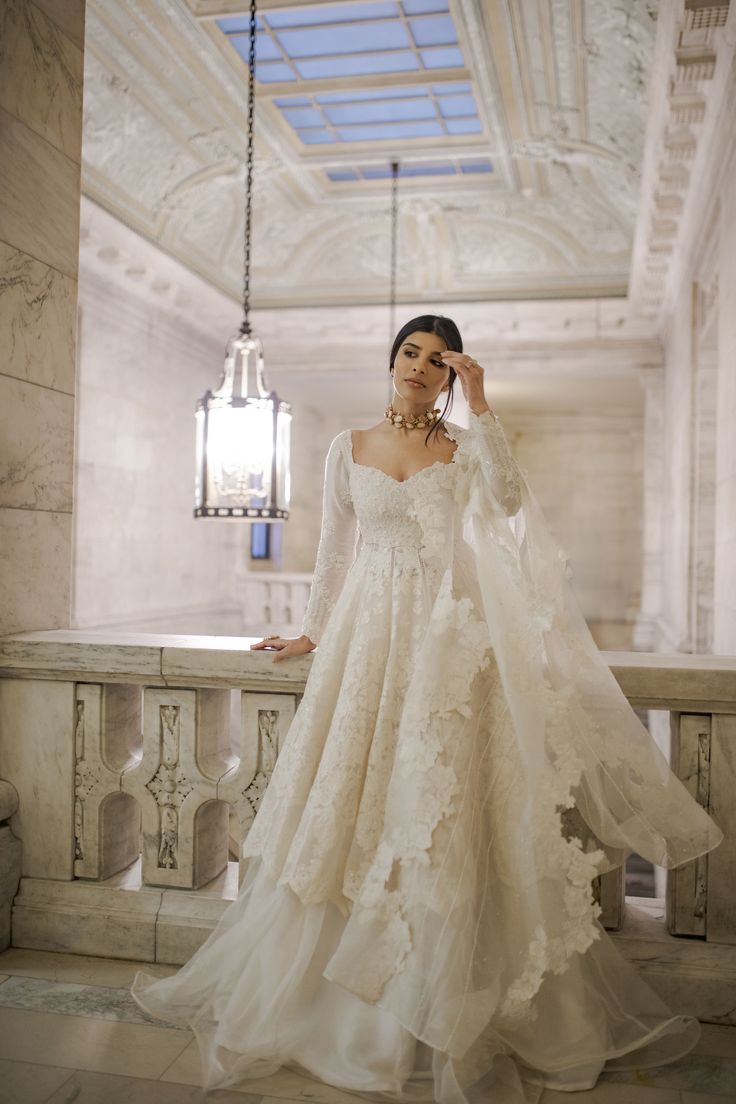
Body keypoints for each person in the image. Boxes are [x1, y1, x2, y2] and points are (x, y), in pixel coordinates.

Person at [132, 315, 722, 1104]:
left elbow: (510, 501)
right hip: (370, 645)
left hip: (449, 649)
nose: (420, 367)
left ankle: (444, 991)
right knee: (358, 802)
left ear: (450, 377)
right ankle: (338, 1000)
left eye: (438, 362)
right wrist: (311, 633)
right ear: (392, 361)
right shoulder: (348, 447)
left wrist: (482, 403)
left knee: (443, 808)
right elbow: (333, 555)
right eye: (411, 353)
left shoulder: (465, 447)